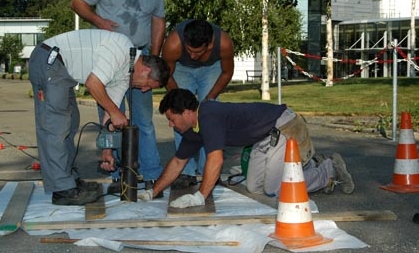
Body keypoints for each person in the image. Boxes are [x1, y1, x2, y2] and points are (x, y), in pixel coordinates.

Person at [139, 88, 354, 208]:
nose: (170, 124)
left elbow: (216, 159)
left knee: (275, 189)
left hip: (285, 126)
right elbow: (177, 162)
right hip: (265, 137)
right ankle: (308, 169)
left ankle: (328, 170)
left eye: (171, 118)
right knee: (254, 188)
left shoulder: (208, 115)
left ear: (186, 112)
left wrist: (200, 196)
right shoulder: (191, 130)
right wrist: (153, 192)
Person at [28, 29, 169, 206]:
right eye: (148, 85)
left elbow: (109, 114)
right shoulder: (121, 49)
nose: (144, 90)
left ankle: (69, 179)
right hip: (49, 59)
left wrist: (107, 150)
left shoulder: (126, 76)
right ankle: (62, 189)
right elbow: (93, 84)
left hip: (62, 71)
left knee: (70, 123)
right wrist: (116, 113)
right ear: (146, 70)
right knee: (56, 126)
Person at [71, 0, 166, 191]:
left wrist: (152, 60)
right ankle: (118, 174)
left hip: (140, 57)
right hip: (109, 58)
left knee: (143, 120)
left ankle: (151, 173)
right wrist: (98, 20)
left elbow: (158, 22)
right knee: (112, 116)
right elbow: (78, 3)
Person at [161, 19, 234, 188]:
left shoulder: (223, 43)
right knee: (180, 116)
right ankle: (185, 173)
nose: (193, 56)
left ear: (209, 45)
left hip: (212, 68)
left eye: (197, 52)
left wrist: (210, 99)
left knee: (210, 116)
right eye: (189, 50)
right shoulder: (173, 44)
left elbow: (227, 72)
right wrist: (178, 99)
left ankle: (209, 171)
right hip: (181, 69)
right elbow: (167, 75)